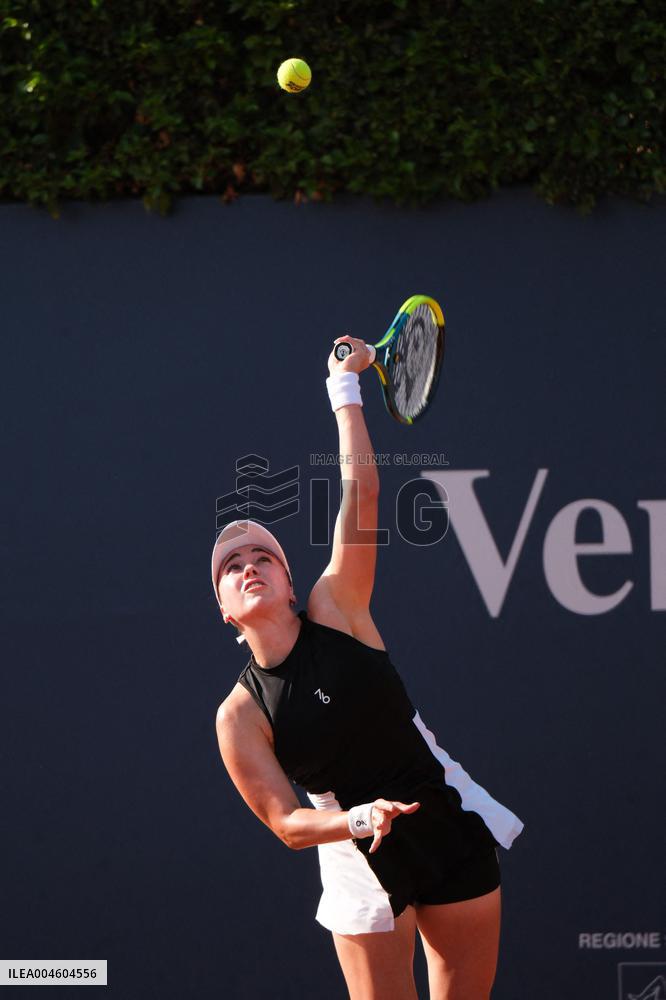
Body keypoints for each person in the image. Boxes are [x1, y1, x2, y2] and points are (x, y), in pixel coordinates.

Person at [213, 334, 524, 1000]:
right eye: (231, 568)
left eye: (262, 557)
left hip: (447, 821)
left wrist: (345, 391)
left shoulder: (337, 608)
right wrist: (359, 820)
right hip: (358, 857)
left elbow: (364, 492)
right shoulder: (238, 716)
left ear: (289, 585)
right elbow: (288, 826)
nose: (247, 567)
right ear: (226, 614)